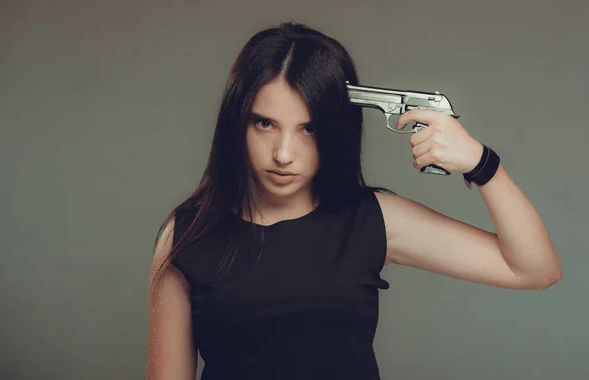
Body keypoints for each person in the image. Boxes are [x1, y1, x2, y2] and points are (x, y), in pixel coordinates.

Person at [146, 22, 561, 380]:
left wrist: (481, 164)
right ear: (237, 122)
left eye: (308, 129)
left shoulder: (371, 219)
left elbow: (535, 269)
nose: (284, 153)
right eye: (265, 123)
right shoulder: (188, 235)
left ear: (336, 131)